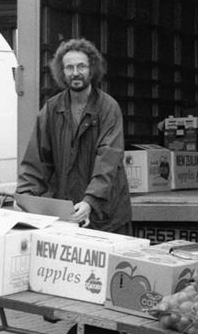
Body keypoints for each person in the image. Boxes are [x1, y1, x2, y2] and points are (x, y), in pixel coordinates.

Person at [17, 38, 132, 232]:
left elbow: (108, 161)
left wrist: (90, 202)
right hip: (68, 214)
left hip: (106, 216)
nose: (76, 73)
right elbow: (36, 161)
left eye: (81, 66)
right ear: (62, 72)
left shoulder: (108, 108)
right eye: (69, 68)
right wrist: (24, 197)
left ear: (92, 69)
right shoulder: (52, 109)